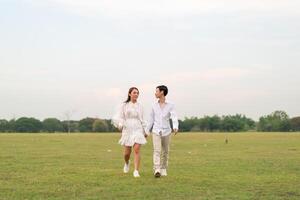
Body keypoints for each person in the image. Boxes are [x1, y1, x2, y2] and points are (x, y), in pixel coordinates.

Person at [112, 87, 148, 178]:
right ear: (129, 94)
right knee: (127, 153)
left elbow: (143, 119)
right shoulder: (124, 105)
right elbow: (120, 117)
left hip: (138, 128)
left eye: (137, 93)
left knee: (136, 149)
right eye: (134, 93)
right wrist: (120, 125)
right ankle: (127, 162)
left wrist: (146, 130)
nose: (136, 94)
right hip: (127, 129)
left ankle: (136, 171)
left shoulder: (140, 106)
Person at [147, 85, 179, 178]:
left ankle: (163, 168)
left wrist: (175, 127)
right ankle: (157, 169)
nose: (155, 93)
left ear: (162, 92)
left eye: (156, 91)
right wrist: (147, 131)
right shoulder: (153, 105)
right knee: (157, 150)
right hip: (156, 130)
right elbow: (151, 119)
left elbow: (174, 116)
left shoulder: (171, 105)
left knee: (165, 151)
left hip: (167, 131)